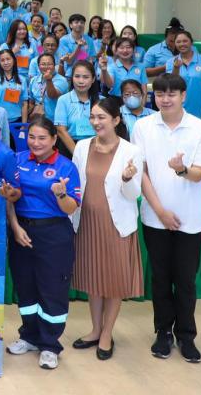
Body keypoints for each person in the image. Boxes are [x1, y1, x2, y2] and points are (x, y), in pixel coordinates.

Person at [130, 74, 201, 363]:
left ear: (183, 96)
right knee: (161, 278)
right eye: (160, 94)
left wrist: (181, 169)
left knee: (186, 280)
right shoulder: (142, 126)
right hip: (155, 218)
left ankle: (187, 335)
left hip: (190, 219)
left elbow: (199, 174)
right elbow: (142, 173)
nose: (165, 99)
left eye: (171, 94)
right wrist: (160, 211)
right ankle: (163, 332)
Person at [0, 117, 81, 370]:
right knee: (26, 287)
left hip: (54, 234)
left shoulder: (66, 167)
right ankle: (29, 336)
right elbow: (9, 197)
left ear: (54, 139)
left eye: (42, 138)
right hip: (21, 231)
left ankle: (50, 345)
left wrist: (61, 194)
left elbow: (71, 207)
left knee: (52, 289)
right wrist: (16, 227)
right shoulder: (17, 159)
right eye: (32, 137)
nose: (36, 143)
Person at [70, 98, 144, 361]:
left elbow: (134, 194)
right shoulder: (82, 146)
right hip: (87, 222)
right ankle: (95, 329)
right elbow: (76, 184)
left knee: (113, 280)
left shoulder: (131, 151)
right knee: (93, 279)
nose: (95, 122)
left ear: (116, 120)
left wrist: (126, 178)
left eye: (101, 117)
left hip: (116, 225)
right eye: (93, 117)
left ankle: (106, 334)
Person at [164, 30, 201, 118]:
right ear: (175, 44)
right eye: (178, 42)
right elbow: (171, 85)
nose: (182, 44)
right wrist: (176, 68)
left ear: (191, 42)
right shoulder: (170, 62)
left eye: (185, 41)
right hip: (178, 109)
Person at [54, 60, 98, 156]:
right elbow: (61, 130)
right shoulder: (63, 100)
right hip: (69, 147)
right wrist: (78, 154)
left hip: (96, 147)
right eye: (77, 76)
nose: (81, 81)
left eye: (86, 77)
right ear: (72, 78)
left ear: (93, 79)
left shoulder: (101, 101)